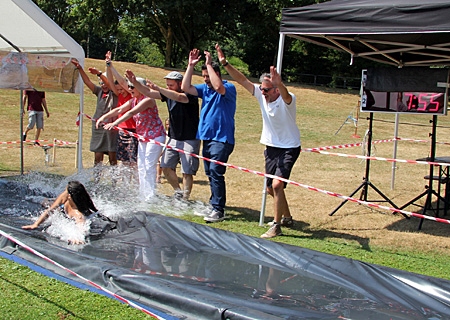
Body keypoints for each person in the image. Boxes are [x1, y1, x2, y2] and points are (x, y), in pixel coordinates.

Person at [215, 43, 301, 238]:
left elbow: (286, 95)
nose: (263, 93)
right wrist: (225, 63)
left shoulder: (287, 99)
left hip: (289, 147)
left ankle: (276, 225)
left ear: (276, 89)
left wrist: (280, 84)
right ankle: (287, 217)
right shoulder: (262, 96)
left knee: (278, 185)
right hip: (271, 146)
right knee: (271, 188)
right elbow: (242, 80)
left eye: (267, 90)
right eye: (262, 89)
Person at [181, 48, 237, 222]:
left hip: (222, 138)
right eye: (203, 76)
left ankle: (219, 210)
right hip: (207, 137)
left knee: (216, 171)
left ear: (217, 73)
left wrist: (208, 64)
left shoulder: (229, 87)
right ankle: (214, 205)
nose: (205, 80)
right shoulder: (204, 89)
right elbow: (185, 87)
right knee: (209, 173)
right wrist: (191, 66)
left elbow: (219, 87)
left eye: (208, 76)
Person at [127, 70, 200, 200]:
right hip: (173, 138)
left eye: (171, 85)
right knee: (165, 166)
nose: (168, 87)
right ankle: (178, 192)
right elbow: (148, 92)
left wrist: (159, 88)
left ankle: (185, 199)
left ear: (180, 84)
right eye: (167, 85)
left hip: (190, 138)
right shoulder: (167, 95)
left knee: (187, 171)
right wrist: (134, 82)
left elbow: (178, 97)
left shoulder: (190, 95)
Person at [99, 75, 166, 200]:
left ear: (140, 88)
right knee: (141, 166)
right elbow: (119, 109)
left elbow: (131, 113)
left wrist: (113, 123)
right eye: (129, 86)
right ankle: (142, 194)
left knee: (149, 165)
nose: (129, 89)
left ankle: (150, 196)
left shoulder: (148, 99)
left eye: (132, 87)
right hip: (143, 137)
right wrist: (103, 117)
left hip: (155, 136)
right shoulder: (134, 99)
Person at [71, 59, 118, 168]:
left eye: (105, 83)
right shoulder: (99, 91)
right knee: (98, 156)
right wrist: (80, 69)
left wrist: (99, 74)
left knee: (112, 156)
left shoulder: (115, 92)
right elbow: (87, 81)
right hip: (98, 126)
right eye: (101, 83)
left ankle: (114, 183)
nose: (103, 86)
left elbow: (109, 84)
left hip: (111, 127)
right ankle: (96, 181)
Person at [22, 181, 98, 244]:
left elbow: (82, 228)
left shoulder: (78, 214)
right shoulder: (65, 196)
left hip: (67, 212)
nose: (64, 192)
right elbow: (50, 210)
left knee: (48, 203)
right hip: (60, 208)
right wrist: (35, 224)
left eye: (66, 191)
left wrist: (77, 238)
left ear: (69, 196)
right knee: (46, 203)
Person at [104, 52, 138, 172]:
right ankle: (124, 183)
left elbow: (122, 82)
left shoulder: (131, 94)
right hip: (121, 130)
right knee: (123, 161)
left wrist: (111, 65)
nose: (120, 91)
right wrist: (107, 66)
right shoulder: (119, 94)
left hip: (133, 130)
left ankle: (135, 184)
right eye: (118, 90)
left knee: (133, 161)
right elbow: (110, 81)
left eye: (121, 90)